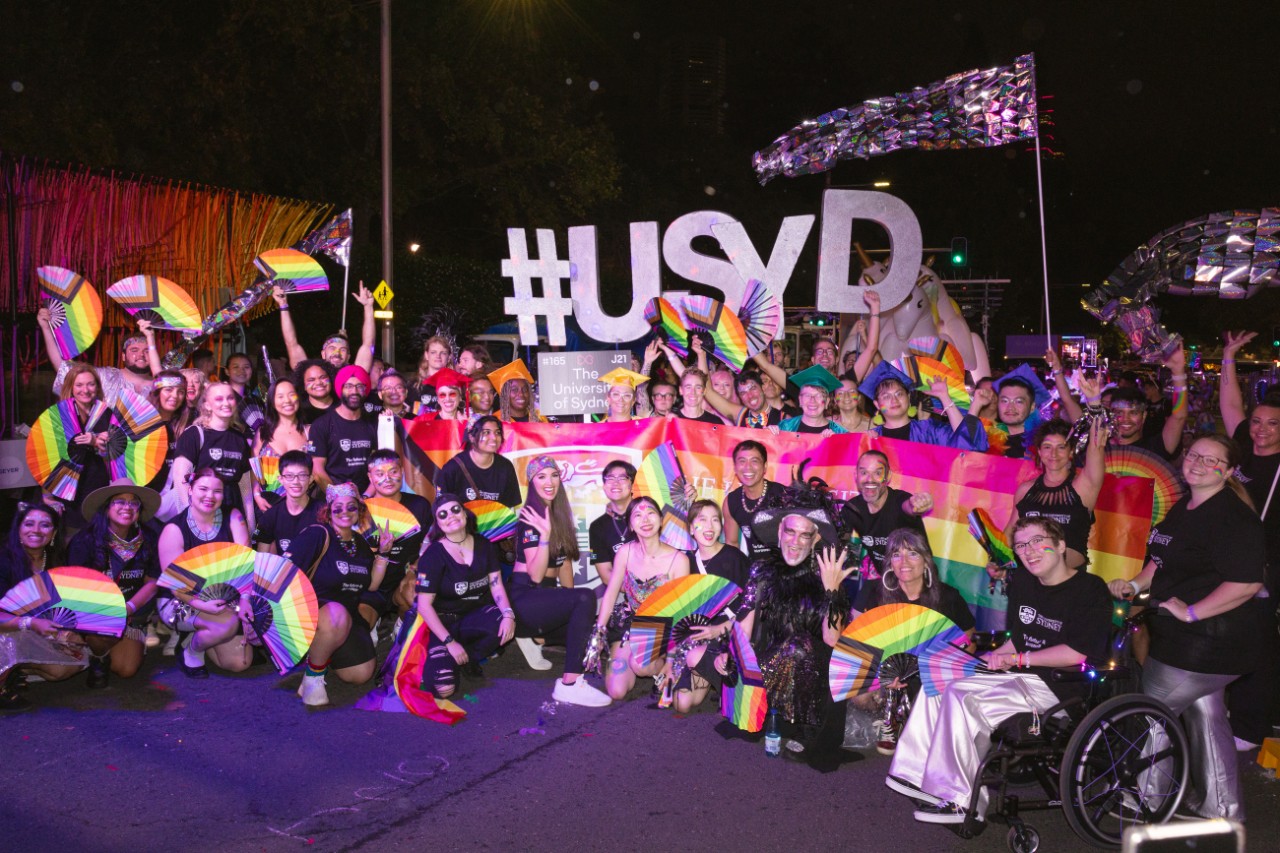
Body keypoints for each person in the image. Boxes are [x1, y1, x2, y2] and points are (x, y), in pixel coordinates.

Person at [888, 518, 1112, 824]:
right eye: (1021, 545)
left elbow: (1077, 652)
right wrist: (991, 658)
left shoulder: (1089, 589)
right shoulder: (1023, 583)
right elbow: (1018, 639)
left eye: (1037, 541)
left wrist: (1019, 660)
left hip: (1058, 688)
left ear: (1060, 546)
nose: (1028, 551)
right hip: (1018, 675)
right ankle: (915, 773)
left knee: (961, 695)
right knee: (939, 677)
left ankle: (964, 801)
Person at [1108, 434, 1265, 820]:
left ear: (1227, 471)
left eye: (1211, 460)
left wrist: (1193, 612)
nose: (1197, 463)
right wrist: (1134, 585)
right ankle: (1223, 808)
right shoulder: (1187, 506)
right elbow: (1160, 559)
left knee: (1152, 711)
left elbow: (1246, 584)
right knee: (1206, 715)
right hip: (1188, 640)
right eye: (1193, 455)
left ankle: (1143, 799)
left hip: (1209, 643)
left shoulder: (1233, 518)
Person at [734, 502, 854, 767]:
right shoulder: (761, 570)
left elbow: (832, 641)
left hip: (815, 675)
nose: (795, 541)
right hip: (773, 663)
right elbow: (744, 626)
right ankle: (772, 715)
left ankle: (805, 728)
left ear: (816, 538)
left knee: (799, 646)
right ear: (779, 531)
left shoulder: (828, 576)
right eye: (790, 532)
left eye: (805, 535)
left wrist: (832, 591)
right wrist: (729, 655)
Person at [851, 529, 976, 755]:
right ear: (889, 562)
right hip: (886, 668)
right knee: (860, 695)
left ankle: (911, 718)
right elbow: (858, 642)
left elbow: (968, 642)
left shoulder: (948, 597)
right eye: (896, 555)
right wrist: (883, 673)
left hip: (929, 671)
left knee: (924, 738)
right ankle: (887, 715)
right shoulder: (873, 591)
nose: (904, 562)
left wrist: (935, 668)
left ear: (926, 560)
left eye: (913, 554)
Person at [508, 456, 612, 707]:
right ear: (531, 482)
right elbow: (534, 574)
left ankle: (535, 638)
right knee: (586, 598)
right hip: (525, 596)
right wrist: (544, 537)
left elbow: (564, 563)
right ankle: (569, 683)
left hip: (544, 596)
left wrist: (573, 606)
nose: (549, 481)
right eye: (541, 476)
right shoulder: (531, 517)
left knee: (585, 630)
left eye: (554, 475)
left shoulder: (558, 513)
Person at [1218, 330, 1280, 749]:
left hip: (1268, 568)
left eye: (1273, 424)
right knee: (1228, 636)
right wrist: (1227, 358)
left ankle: (1251, 725)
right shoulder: (1242, 444)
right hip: (1230, 562)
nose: (1260, 431)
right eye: (1257, 422)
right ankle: (1238, 713)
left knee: (1258, 641)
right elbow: (1230, 405)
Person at [285, 483, 393, 706]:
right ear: (328, 511)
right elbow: (284, 571)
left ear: (359, 511)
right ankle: (313, 675)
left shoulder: (360, 545)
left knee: (360, 674)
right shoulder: (318, 534)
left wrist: (383, 554)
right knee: (336, 614)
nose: (345, 512)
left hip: (345, 618)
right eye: (338, 508)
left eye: (351, 507)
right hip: (315, 613)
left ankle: (323, 652)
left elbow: (371, 586)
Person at [413, 494, 516, 696]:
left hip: (473, 617)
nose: (451, 516)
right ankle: (441, 655)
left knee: (501, 621)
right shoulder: (433, 555)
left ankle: (467, 657)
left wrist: (508, 614)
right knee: (444, 689)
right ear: (438, 524)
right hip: (440, 625)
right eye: (443, 514)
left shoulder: (484, 545)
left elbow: (496, 586)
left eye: (455, 509)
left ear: (465, 514)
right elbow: (424, 606)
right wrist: (449, 642)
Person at [156, 468, 253, 679]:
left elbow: (245, 563)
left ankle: (206, 634)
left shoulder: (233, 516)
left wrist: (244, 599)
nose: (210, 496)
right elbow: (176, 587)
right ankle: (191, 647)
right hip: (180, 600)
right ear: (190, 490)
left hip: (224, 598)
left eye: (217, 491)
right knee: (227, 625)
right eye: (203, 489)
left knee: (239, 662)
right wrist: (202, 605)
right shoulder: (174, 530)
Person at [593, 497, 691, 700]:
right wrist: (599, 632)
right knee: (616, 691)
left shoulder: (678, 560)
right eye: (638, 515)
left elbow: (682, 615)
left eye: (651, 513)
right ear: (630, 524)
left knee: (640, 665)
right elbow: (611, 593)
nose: (645, 520)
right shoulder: (625, 552)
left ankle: (662, 662)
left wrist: (673, 660)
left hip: (663, 628)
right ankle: (626, 653)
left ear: (661, 519)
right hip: (630, 621)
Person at [67, 480, 162, 688]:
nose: (127, 507)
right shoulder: (85, 540)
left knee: (125, 669)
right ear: (107, 508)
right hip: (95, 612)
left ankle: (104, 647)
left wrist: (129, 608)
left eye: (133, 503)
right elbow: (75, 588)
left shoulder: (149, 538)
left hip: (131, 613)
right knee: (99, 632)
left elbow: (153, 582)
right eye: (119, 501)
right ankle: (98, 654)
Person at [670, 499, 752, 714]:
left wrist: (720, 629)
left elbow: (751, 611)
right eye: (702, 520)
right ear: (690, 528)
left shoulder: (736, 559)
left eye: (715, 520)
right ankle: (714, 676)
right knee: (681, 703)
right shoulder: (684, 562)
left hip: (729, 635)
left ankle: (736, 688)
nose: (709, 526)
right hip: (696, 640)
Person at [0, 503, 84, 711]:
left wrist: (66, 632)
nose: (36, 530)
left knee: (73, 662)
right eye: (29, 524)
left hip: (30, 632)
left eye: (45, 525)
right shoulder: (4, 560)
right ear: (18, 529)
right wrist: (30, 622)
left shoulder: (56, 562)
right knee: (12, 637)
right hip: (6, 630)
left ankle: (15, 667)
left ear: (54, 533)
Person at [1003, 417, 1106, 568]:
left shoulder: (1083, 487)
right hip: (1029, 580)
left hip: (1070, 584)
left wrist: (1094, 402)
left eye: (1061, 447)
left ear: (1071, 451)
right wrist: (998, 562)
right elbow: (1009, 535)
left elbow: (1096, 447)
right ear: (1039, 451)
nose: (1053, 453)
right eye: (1047, 447)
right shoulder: (1025, 490)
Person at [1062, 346, 1189, 461]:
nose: (1125, 419)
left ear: (1144, 416)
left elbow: (1179, 417)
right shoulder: (1097, 447)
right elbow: (1068, 402)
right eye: (1119, 412)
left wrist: (1178, 373)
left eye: (1133, 412)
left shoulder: (1154, 449)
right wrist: (1057, 370)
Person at [357, 450, 432, 634]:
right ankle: (372, 624)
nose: (387, 478)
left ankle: (402, 621)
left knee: (414, 594)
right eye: (380, 473)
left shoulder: (419, 505)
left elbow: (430, 546)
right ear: (370, 477)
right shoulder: (360, 512)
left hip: (405, 579)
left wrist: (413, 570)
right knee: (360, 628)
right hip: (371, 586)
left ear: (402, 472)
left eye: (393, 471)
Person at [839, 450, 933, 577]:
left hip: (919, 578)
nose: (869, 479)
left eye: (878, 473)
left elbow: (907, 507)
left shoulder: (900, 500)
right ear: (856, 475)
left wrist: (917, 505)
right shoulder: (852, 509)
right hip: (886, 582)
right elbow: (838, 543)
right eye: (864, 472)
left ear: (888, 476)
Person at [859, 362, 988, 450]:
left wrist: (945, 397)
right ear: (877, 404)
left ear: (908, 398)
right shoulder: (872, 437)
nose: (894, 400)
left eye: (899, 394)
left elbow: (965, 441)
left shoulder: (927, 430)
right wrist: (867, 446)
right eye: (886, 396)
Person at [171, 381, 253, 519]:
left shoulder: (239, 439)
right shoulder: (194, 434)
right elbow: (180, 479)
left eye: (230, 398)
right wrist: (192, 515)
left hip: (232, 510)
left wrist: (250, 526)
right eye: (219, 399)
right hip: (202, 506)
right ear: (207, 405)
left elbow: (245, 488)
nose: (226, 403)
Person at [38, 310, 154, 403]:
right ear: (123, 356)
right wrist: (46, 328)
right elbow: (62, 366)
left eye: (147, 350)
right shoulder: (106, 377)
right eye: (134, 350)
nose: (141, 355)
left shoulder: (162, 387)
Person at [660, 338, 780, 428]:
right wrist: (669, 351)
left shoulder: (732, 413)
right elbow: (691, 379)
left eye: (727, 385)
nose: (721, 389)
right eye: (716, 384)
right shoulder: (679, 413)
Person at [56, 363, 112, 529]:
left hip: (97, 485)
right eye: (79, 385)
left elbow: (117, 454)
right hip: (67, 489)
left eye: (90, 384)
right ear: (71, 387)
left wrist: (96, 442)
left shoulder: (106, 413)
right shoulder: (60, 414)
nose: (85, 390)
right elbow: (48, 456)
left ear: (97, 386)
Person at [274, 282, 376, 372]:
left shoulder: (354, 375)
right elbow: (291, 344)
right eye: (332, 348)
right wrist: (283, 305)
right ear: (323, 354)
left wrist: (368, 307)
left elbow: (368, 344)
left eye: (343, 349)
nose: (337, 353)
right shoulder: (311, 376)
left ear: (348, 357)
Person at [309, 365, 378, 492]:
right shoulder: (321, 425)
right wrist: (340, 497)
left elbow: (379, 466)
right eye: (349, 386)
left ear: (366, 390)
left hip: (368, 497)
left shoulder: (374, 423)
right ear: (340, 389)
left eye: (360, 386)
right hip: (334, 499)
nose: (354, 391)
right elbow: (317, 470)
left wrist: (367, 496)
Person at [435, 416, 522, 507]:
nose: (494, 437)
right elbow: (441, 507)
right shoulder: (453, 468)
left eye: (497, 432)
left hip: (495, 520)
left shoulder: (505, 467)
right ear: (471, 437)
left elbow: (509, 508)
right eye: (486, 432)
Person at [722, 440, 787, 560]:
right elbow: (732, 544)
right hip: (755, 571)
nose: (748, 467)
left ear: (765, 466)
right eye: (742, 461)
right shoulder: (731, 501)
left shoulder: (783, 495)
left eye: (754, 461)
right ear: (735, 468)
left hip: (786, 570)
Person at [252, 378, 309, 512]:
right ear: (272, 402)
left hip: (304, 507)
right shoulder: (262, 433)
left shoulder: (310, 432)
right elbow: (254, 471)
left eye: (291, 395)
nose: (287, 400)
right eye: (280, 396)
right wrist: (256, 495)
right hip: (268, 506)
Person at [252, 450, 319, 556]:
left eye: (302, 475)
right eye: (289, 476)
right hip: (284, 571)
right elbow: (262, 560)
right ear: (281, 479)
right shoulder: (271, 515)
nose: (296, 481)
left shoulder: (322, 512)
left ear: (311, 479)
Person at [985, 364, 1050, 460]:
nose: (1010, 407)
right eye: (1005, 401)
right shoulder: (985, 440)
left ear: (1032, 407)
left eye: (1018, 401)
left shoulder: (1046, 442)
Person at [588, 461, 636, 587]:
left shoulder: (647, 516)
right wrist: (636, 593)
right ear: (604, 486)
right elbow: (606, 575)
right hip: (619, 590)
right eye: (610, 478)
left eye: (623, 477)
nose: (616, 482)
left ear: (632, 484)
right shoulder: (597, 527)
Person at [146, 370, 191, 495]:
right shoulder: (142, 425)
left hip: (177, 499)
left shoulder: (188, 427)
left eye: (181, 391)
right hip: (146, 496)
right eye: (168, 390)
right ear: (157, 392)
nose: (175, 396)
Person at [774, 366, 848, 435]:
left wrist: (838, 442)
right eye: (807, 395)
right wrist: (770, 436)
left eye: (819, 396)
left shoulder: (839, 433)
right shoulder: (785, 428)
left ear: (827, 402)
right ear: (800, 400)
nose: (812, 400)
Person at [411, 335, 454, 413]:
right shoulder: (415, 384)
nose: (438, 356)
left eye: (443, 353)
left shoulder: (457, 384)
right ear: (426, 355)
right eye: (433, 352)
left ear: (449, 357)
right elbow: (407, 413)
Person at [293, 359, 336, 425]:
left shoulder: (344, 405)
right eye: (311, 380)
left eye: (323, 377)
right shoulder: (299, 412)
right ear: (303, 385)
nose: (318, 382)